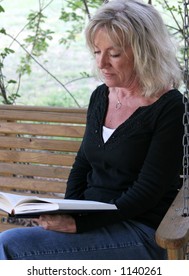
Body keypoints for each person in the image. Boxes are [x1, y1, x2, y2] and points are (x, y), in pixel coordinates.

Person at [0, 0, 184, 260]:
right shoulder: (101, 96)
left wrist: (80, 224)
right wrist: (67, 212)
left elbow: (148, 191)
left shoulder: (171, 108)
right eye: (97, 52)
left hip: (141, 231)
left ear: (144, 52)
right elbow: (82, 164)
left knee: (10, 245)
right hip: (92, 224)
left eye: (114, 54)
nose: (102, 63)